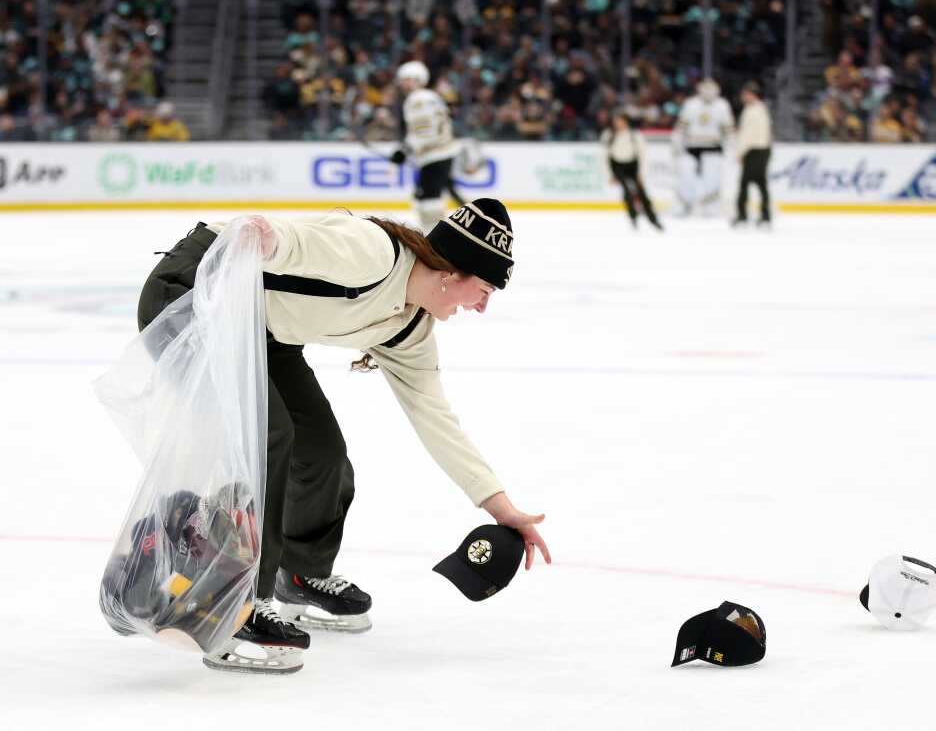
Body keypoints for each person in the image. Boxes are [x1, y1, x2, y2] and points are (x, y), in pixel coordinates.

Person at [136, 199, 552, 674]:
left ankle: (300, 573)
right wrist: (268, 239)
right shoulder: (374, 252)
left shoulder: (410, 326)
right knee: (270, 437)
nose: (481, 306)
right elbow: (301, 243)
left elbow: (434, 416)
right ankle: (238, 602)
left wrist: (498, 505)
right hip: (194, 295)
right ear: (451, 272)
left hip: (258, 326)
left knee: (322, 453)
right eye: (483, 289)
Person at [389, 60, 461, 231]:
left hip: (434, 155)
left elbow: (424, 132)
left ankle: (435, 237)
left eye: (407, 79)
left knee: (428, 200)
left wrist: (404, 151)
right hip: (442, 152)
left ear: (417, 79)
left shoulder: (417, 99)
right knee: (434, 196)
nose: (403, 84)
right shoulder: (430, 97)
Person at [671, 78, 733, 217]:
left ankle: (711, 207)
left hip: (713, 147)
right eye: (705, 89)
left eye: (711, 89)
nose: (708, 92)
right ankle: (685, 205)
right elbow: (681, 126)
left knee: (712, 179)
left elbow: (728, 129)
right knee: (686, 178)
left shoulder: (722, 105)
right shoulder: (691, 104)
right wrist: (676, 143)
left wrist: (731, 147)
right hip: (692, 146)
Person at [600, 112, 662, 231]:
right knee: (627, 191)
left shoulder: (635, 135)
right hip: (617, 166)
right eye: (616, 120)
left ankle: (653, 220)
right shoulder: (609, 135)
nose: (618, 123)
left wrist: (641, 174)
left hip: (633, 166)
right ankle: (633, 217)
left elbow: (643, 155)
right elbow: (604, 156)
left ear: (626, 121)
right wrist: (609, 175)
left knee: (642, 193)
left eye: (620, 120)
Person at [732, 81, 773, 230]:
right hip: (762, 150)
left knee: (745, 184)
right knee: (761, 184)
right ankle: (765, 216)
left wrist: (740, 152)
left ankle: (743, 216)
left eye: (745, 94)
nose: (743, 97)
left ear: (752, 95)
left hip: (754, 151)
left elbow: (747, 135)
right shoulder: (761, 109)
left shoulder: (753, 111)